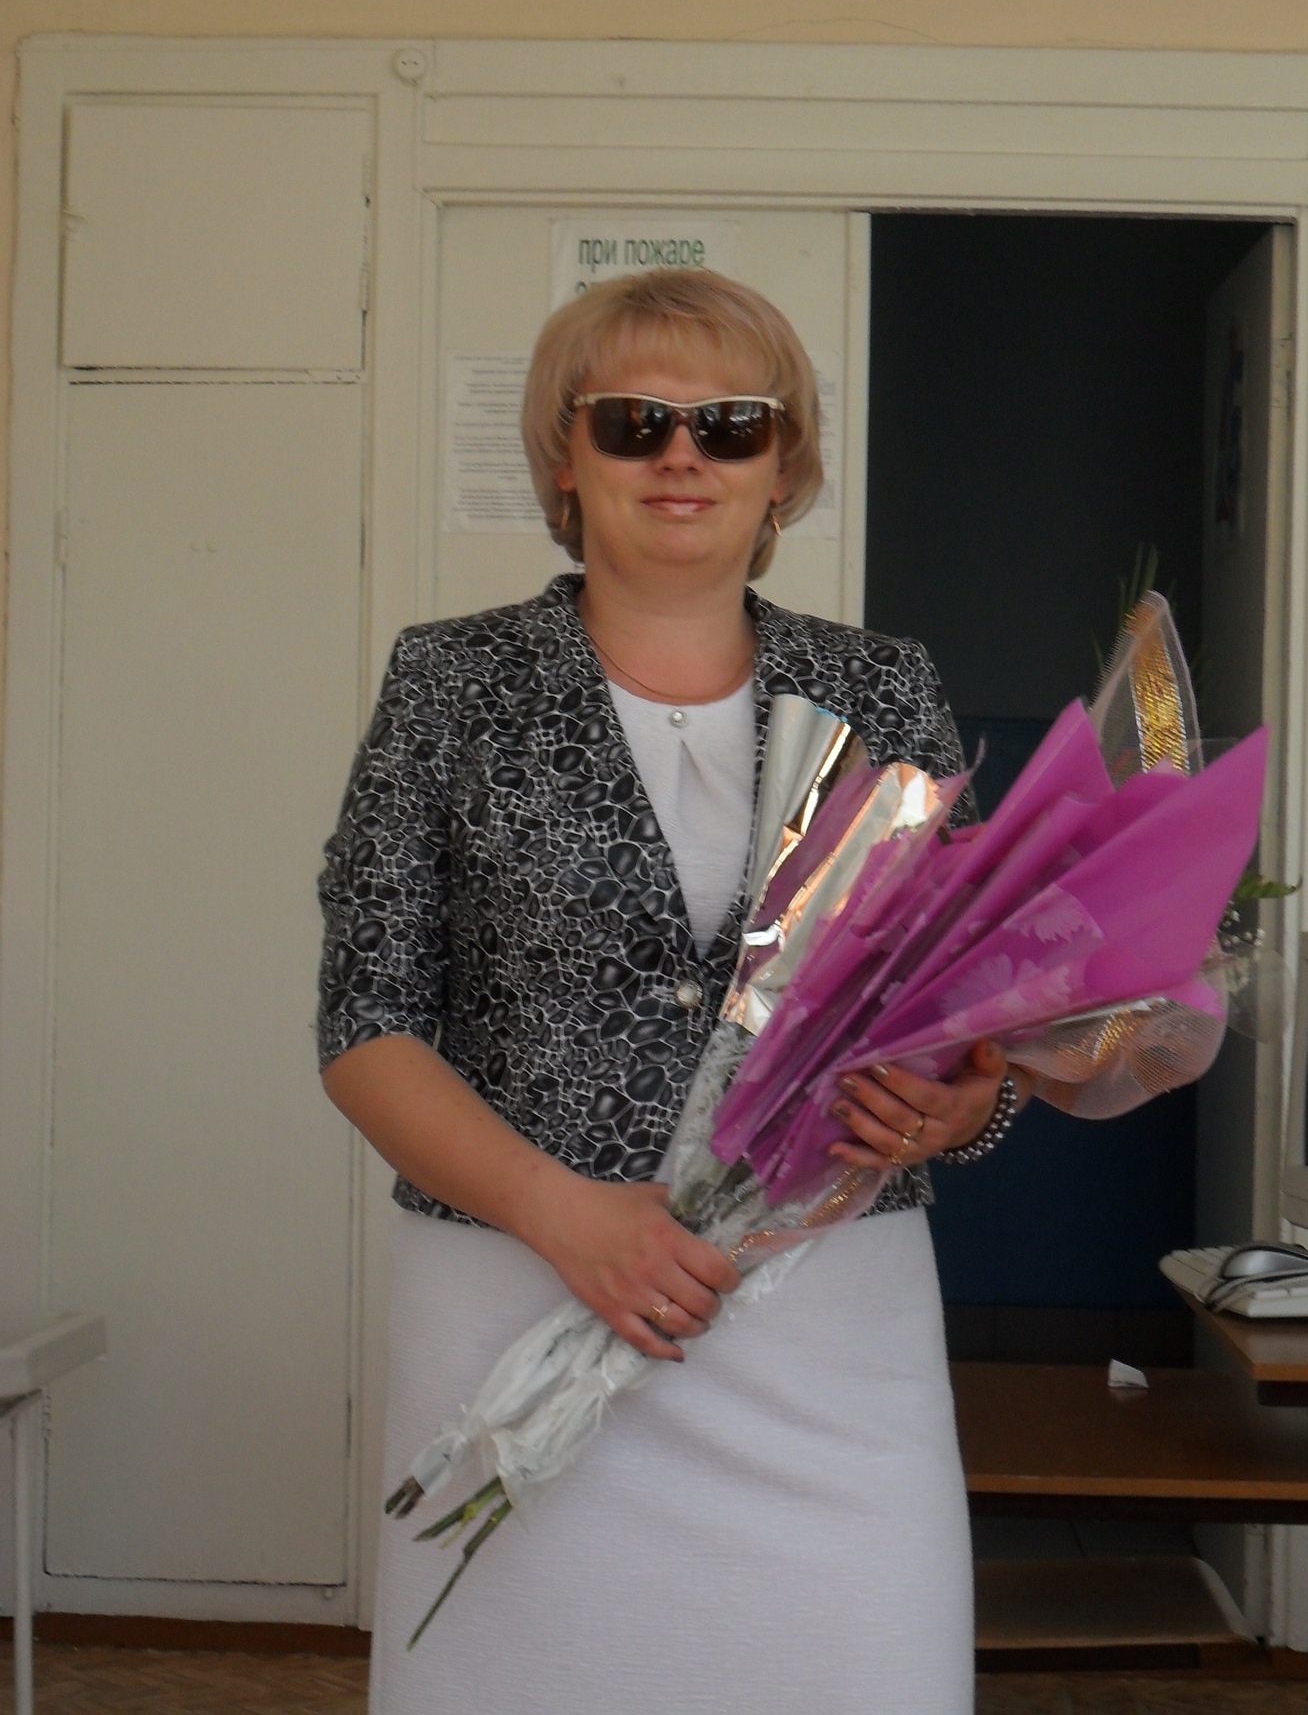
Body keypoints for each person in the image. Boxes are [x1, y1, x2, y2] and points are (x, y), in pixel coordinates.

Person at [317, 269, 1022, 1714]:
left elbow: (967, 1004)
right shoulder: (450, 682)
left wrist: (968, 1103)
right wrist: (563, 1215)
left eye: (732, 424)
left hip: (823, 1312)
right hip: (518, 1292)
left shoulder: (886, 685)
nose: (683, 456)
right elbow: (365, 1021)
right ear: (566, 457)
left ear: (784, 465)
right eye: (635, 421)